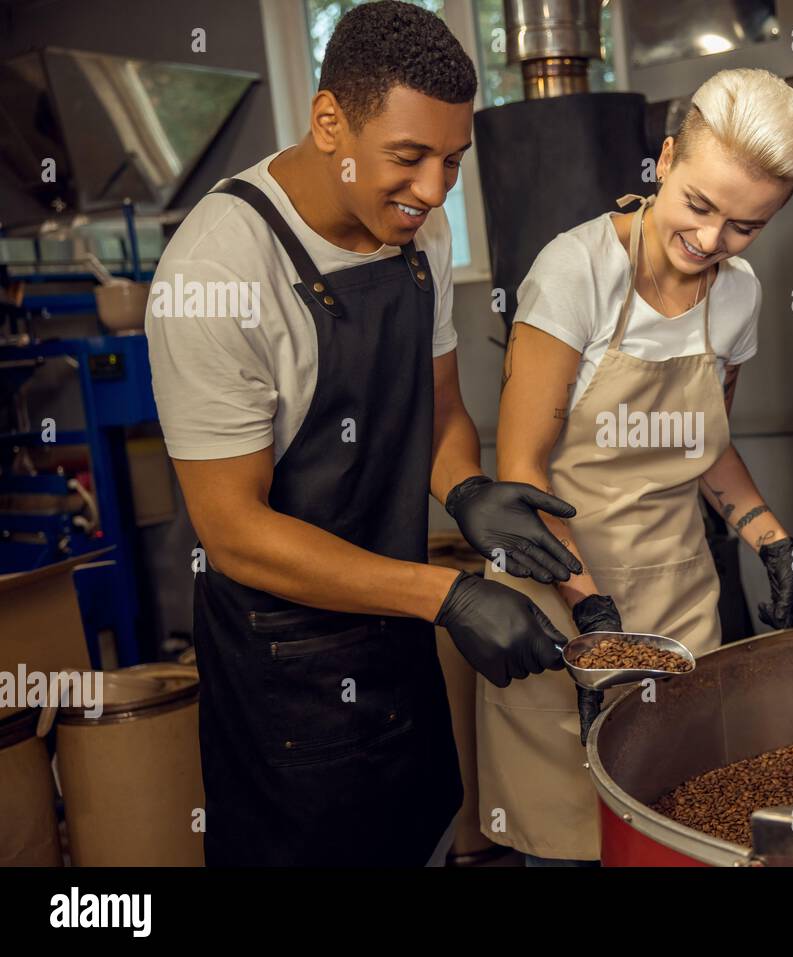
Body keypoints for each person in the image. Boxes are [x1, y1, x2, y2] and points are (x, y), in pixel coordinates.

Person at [146, 1, 578, 866]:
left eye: (452, 162)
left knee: (419, 830)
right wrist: (446, 596)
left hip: (397, 635)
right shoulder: (217, 273)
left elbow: (440, 406)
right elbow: (233, 532)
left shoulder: (418, 227)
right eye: (409, 158)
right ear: (329, 120)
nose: (432, 189)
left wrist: (465, 487)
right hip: (286, 674)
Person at [480, 68, 793, 865]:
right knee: (563, 840)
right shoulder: (575, 272)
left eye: (743, 227)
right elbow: (519, 473)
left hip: (678, 601)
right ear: (664, 160)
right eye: (699, 206)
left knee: (679, 828)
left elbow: (707, 447)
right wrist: (596, 623)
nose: (710, 241)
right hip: (559, 607)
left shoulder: (735, 298)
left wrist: (769, 537)